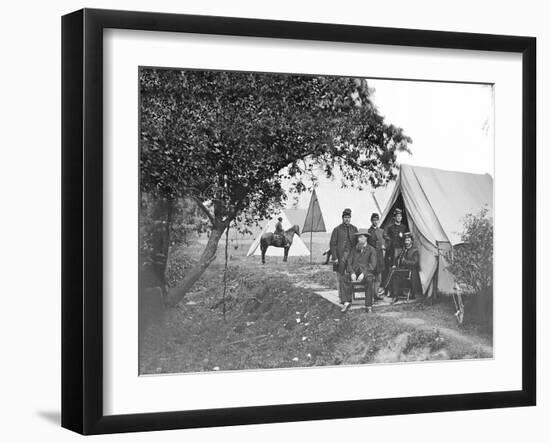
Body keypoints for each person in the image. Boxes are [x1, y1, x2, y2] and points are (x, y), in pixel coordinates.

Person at [329, 208, 358, 305]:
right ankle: (341, 297)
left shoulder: (354, 229)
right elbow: (332, 244)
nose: (347, 219)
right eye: (345, 217)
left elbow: (357, 243)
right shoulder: (337, 229)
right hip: (340, 257)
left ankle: (349, 297)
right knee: (340, 276)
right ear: (342, 218)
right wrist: (335, 257)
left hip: (351, 256)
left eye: (349, 217)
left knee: (350, 276)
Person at [345, 229, 377, 313]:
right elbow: (349, 262)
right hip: (355, 272)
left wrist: (363, 274)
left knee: (369, 280)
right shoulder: (354, 249)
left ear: (366, 238)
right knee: (346, 277)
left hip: (367, 272)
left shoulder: (371, 249)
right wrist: (352, 272)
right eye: (358, 237)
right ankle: (347, 302)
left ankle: (368, 305)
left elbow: (372, 265)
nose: (359, 239)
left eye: (361, 237)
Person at [390, 232, 421, 303]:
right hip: (402, 271)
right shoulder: (403, 250)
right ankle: (395, 296)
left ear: (412, 241)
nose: (406, 242)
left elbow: (415, 263)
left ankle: (395, 293)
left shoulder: (414, 251)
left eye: (408, 240)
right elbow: (397, 258)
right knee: (394, 275)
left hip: (410, 271)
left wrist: (405, 262)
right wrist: (394, 264)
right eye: (405, 240)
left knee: (395, 275)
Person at [367, 213, 386, 300]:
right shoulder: (368, 232)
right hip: (371, 257)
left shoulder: (381, 231)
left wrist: (384, 246)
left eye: (377, 220)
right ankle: (371, 296)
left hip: (380, 257)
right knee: (371, 277)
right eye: (374, 220)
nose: (375, 222)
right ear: (371, 221)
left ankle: (376, 294)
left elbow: (386, 240)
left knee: (379, 277)